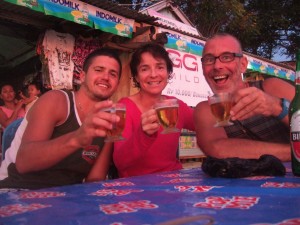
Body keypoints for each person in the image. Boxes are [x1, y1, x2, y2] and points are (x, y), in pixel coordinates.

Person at [0, 48, 122, 189]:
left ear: (117, 84)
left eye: (112, 74)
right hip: (18, 189)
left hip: (66, 199)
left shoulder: (110, 118)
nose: (105, 77)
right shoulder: (56, 100)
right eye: (99, 70)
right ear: (82, 76)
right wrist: (77, 138)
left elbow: (95, 179)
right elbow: (24, 162)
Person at [194, 33, 294, 162]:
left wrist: (278, 107)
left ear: (243, 65)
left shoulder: (271, 87)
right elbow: (217, 149)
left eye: (226, 57)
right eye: (209, 59)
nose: (217, 66)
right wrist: (294, 153)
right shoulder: (206, 109)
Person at [113, 43, 195, 178]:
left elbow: (206, 125)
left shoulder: (176, 105)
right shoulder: (123, 107)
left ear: (168, 73)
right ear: (136, 76)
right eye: (144, 69)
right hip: (136, 188)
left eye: (160, 67)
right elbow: (120, 162)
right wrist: (143, 134)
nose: (153, 74)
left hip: (173, 184)